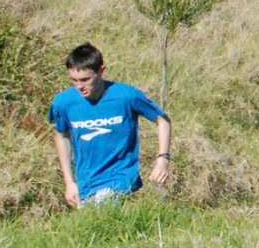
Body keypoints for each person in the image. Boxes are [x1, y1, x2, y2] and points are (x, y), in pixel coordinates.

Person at [48, 43, 171, 208]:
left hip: (121, 178)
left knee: (104, 208)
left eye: (85, 80)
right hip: (87, 184)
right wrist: (69, 183)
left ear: (101, 72)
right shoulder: (64, 102)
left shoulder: (126, 96)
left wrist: (162, 160)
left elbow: (163, 120)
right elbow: (62, 136)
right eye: (74, 80)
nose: (80, 86)